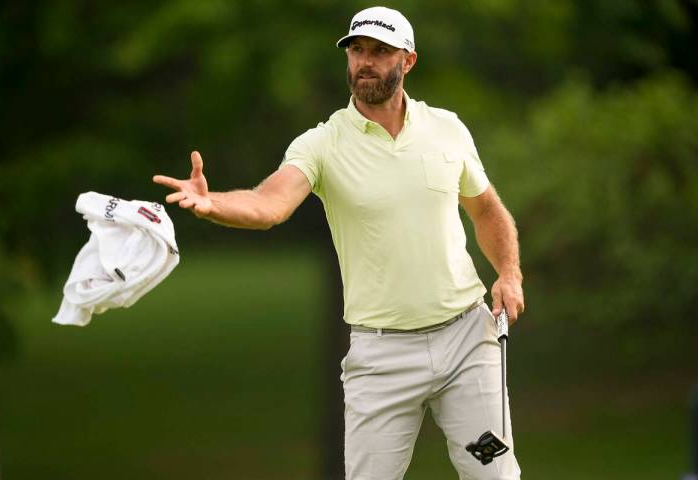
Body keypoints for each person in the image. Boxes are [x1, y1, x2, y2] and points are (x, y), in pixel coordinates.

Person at [153, 6, 524, 479]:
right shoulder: (322, 143)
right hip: (382, 354)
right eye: (357, 50)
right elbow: (270, 204)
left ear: (408, 61)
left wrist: (508, 273)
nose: (365, 61)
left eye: (380, 52)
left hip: (467, 341)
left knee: (495, 475)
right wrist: (214, 204)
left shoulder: (447, 128)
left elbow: (487, 208)